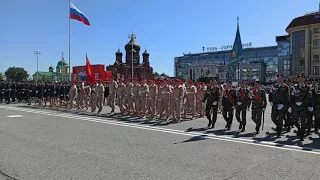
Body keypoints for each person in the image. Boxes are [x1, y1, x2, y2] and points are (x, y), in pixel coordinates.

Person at [289, 74, 312, 141]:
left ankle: (302, 135)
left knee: (303, 121)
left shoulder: (307, 88)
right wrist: (290, 106)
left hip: (303, 107)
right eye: (299, 78)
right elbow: (292, 98)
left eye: (302, 78)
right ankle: (299, 128)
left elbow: (309, 97)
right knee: (294, 121)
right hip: (296, 107)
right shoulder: (293, 88)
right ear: (297, 79)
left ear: (304, 79)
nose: (300, 79)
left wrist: (308, 105)